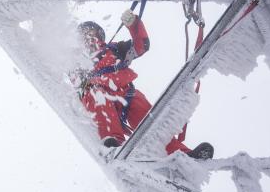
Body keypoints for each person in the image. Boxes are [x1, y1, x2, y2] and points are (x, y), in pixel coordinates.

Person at [74, 10, 213, 159]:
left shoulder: (114, 49)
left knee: (151, 122)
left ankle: (182, 155)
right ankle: (113, 146)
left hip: (126, 92)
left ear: (99, 35)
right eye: (84, 33)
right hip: (96, 92)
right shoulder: (75, 60)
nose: (88, 35)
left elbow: (141, 46)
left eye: (91, 31)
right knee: (97, 97)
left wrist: (134, 24)